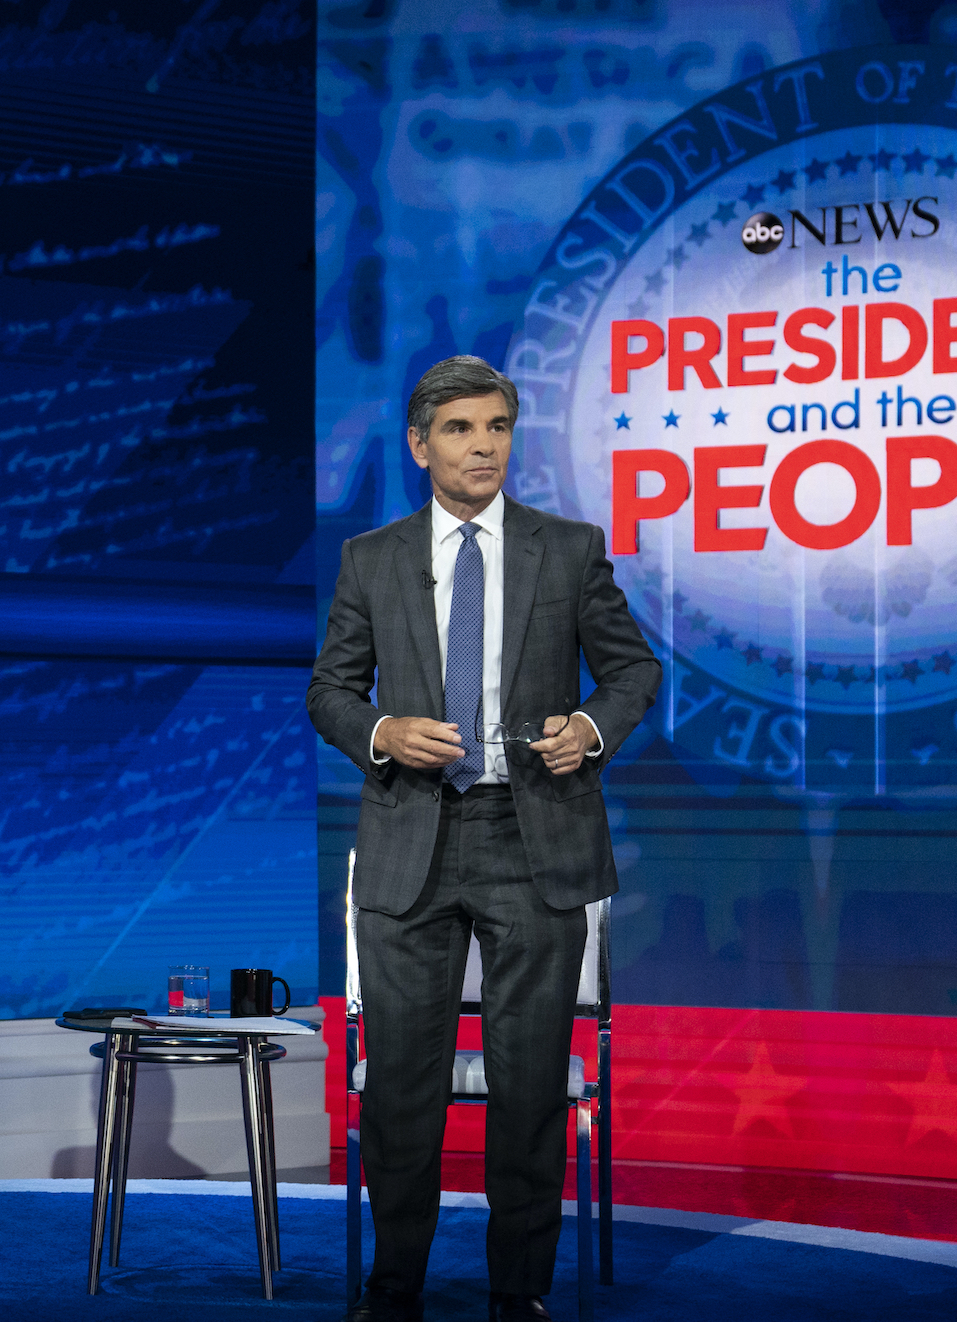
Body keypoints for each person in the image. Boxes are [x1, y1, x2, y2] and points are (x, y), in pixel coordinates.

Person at [307, 355, 660, 1322]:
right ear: (420, 445)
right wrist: (383, 731)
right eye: (460, 429)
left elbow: (632, 673)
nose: (483, 446)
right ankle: (394, 1288)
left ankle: (519, 1292)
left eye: (497, 427)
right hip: (409, 841)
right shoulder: (371, 558)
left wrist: (588, 730)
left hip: (531, 838)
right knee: (402, 1087)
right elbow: (331, 692)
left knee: (530, 1083)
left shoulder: (569, 549)